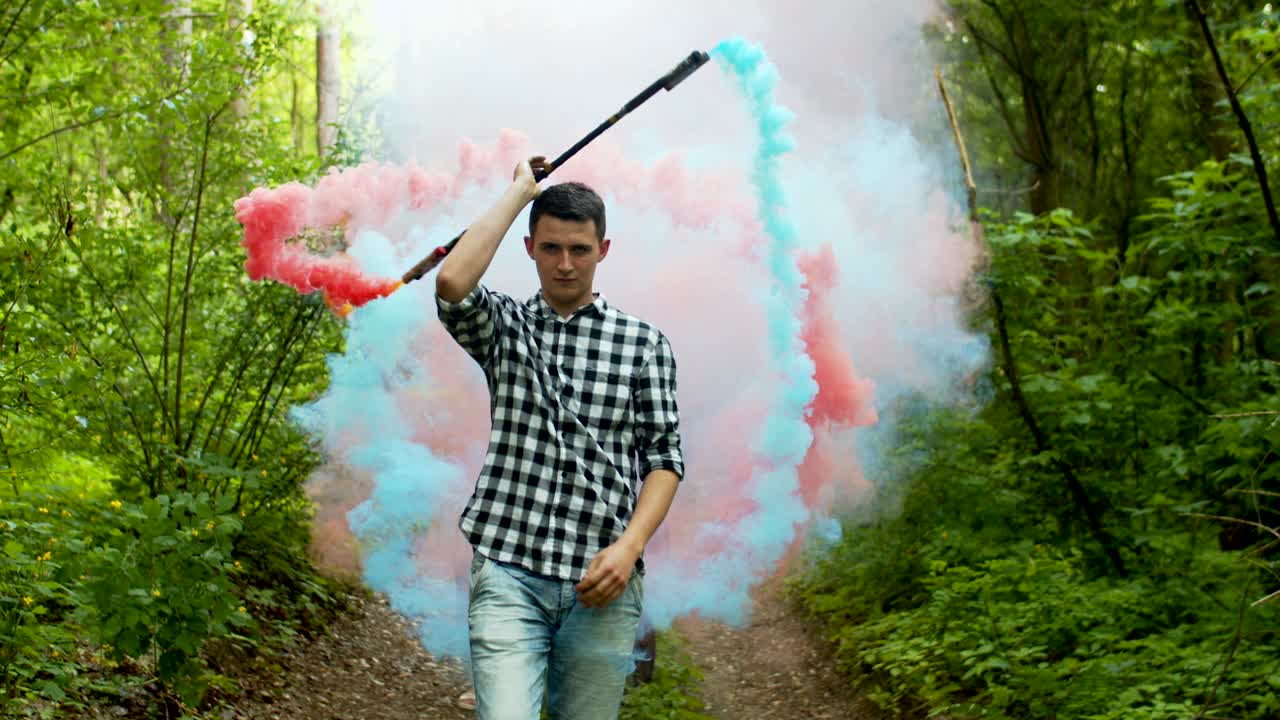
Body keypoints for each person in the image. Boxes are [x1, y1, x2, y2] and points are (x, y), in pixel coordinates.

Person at [434, 156, 684, 720]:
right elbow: (451, 282)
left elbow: (665, 460)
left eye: (579, 249)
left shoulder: (644, 344)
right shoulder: (503, 327)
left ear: (603, 250)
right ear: (529, 249)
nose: (565, 264)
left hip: (602, 584)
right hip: (508, 572)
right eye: (550, 249)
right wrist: (519, 193)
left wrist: (630, 547)